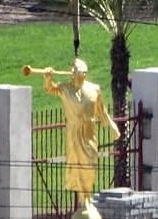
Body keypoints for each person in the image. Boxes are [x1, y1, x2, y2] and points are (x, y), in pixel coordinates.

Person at [42, 58, 120, 206]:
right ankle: (82, 199)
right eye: (71, 69)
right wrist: (48, 78)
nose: (72, 72)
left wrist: (112, 126)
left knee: (89, 164)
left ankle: (87, 194)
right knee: (76, 165)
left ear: (83, 73)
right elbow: (50, 89)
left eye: (75, 69)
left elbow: (101, 111)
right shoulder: (65, 89)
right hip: (73, 133)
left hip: (89, 132)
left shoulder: (94, 89)